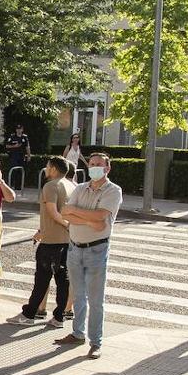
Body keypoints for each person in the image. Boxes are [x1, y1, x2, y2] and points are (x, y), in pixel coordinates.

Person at [56, 153, 122, 360]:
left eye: (99, 165)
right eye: (92, 164)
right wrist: (89, 220)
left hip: (97, 249)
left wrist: (78, 214)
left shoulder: (113, 191)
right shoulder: (79, 188)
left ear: (107, 169)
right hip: (74, 247)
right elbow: (65, 212)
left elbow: (101, 217)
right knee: (77, 294)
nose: (94, 167)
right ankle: (77, 333)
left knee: (95, 299)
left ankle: (96, 342)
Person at [10, 157, 73, 326]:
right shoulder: (71, 185)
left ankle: (29, 314)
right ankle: (59, 316)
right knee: (63, 280)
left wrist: (66, 225)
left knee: (42, 279)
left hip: (52, 241)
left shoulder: (51, 186)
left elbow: (52, 212)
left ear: (53, 168)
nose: (45, 169)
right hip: (66, 241)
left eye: (47, 166)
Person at [3, 123, 31, 189]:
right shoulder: (12, 137)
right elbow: (7, 146)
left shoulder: (24, 137)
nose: (19, 130)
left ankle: (18, 186)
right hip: (14, 156)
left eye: (20, 129)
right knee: (14, 170)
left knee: (20, 171)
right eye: (17, 129)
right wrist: (14, 146)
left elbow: (27, 147)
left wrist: (29, 156)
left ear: (22, 130)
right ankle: (11, 184)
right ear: (16, 130)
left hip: (22, 156)